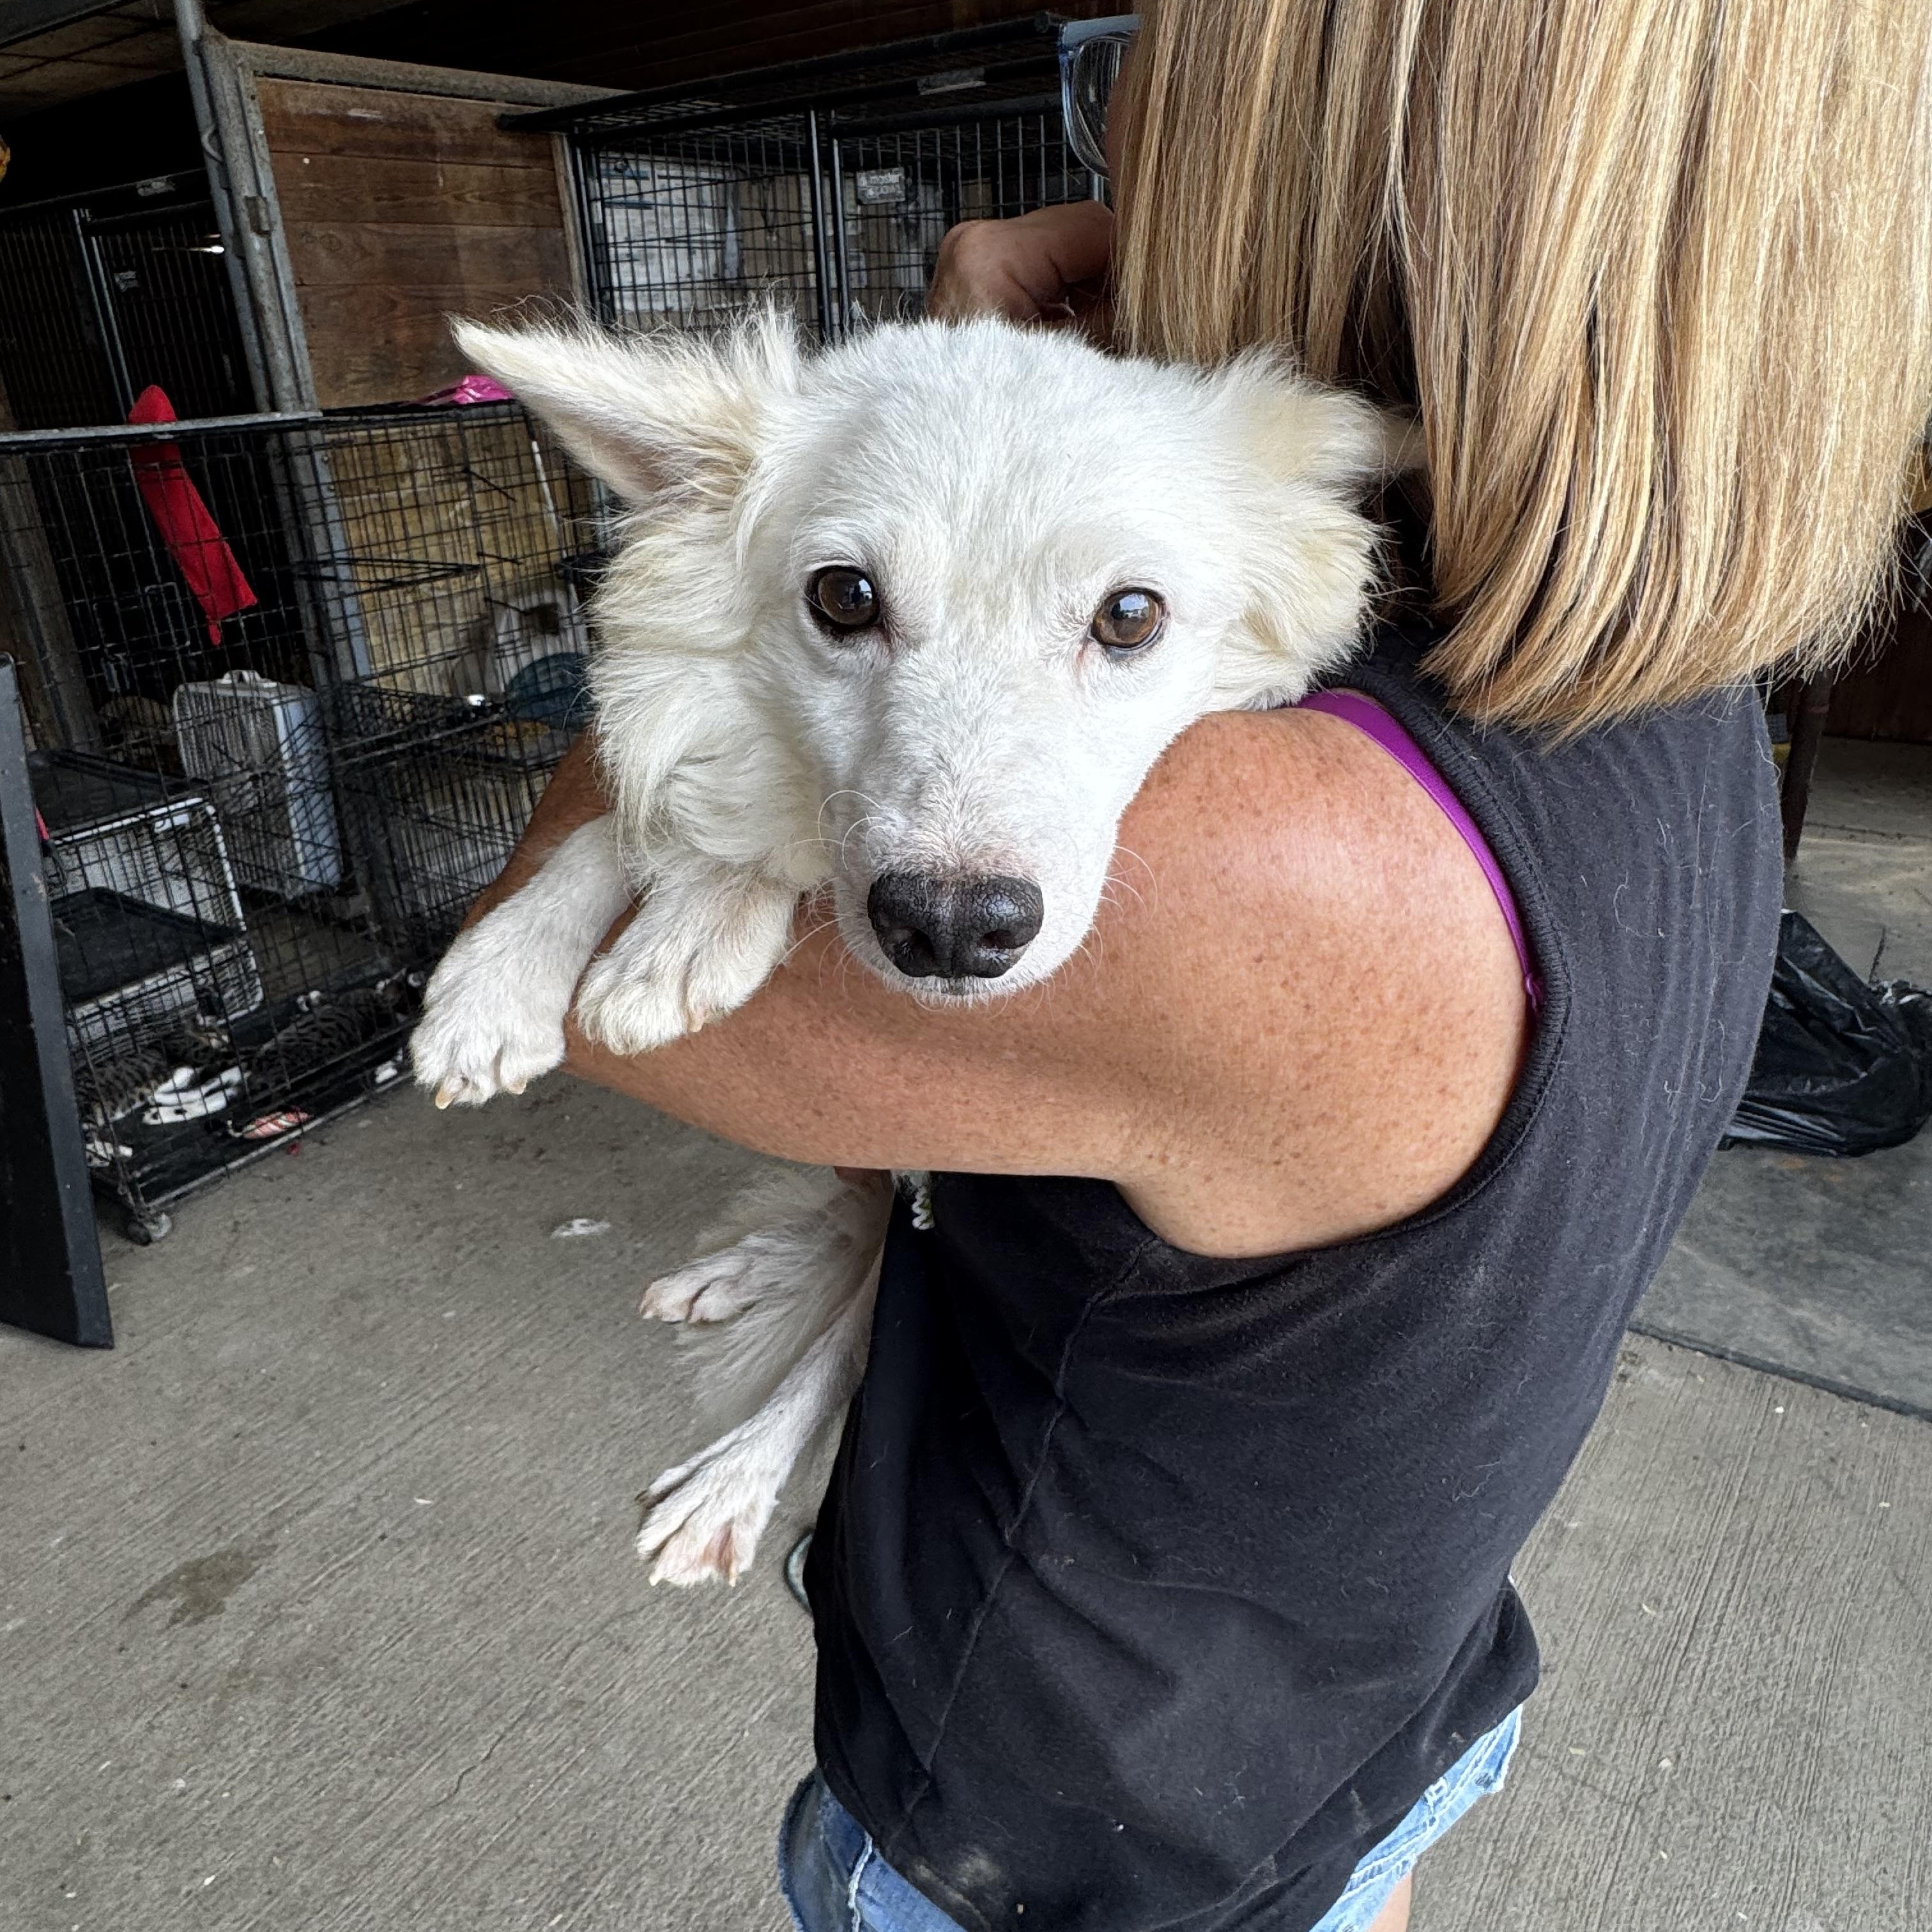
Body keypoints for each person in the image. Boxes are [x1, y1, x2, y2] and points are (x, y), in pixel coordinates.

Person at [465, 3, 1932, 1927]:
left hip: (1068, 1829)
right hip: (1380, 1725)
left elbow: (578, 926)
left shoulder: (1251, 857)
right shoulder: (1675, 693)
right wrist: (1055, 465)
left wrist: (865, 451)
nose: (1111, 116)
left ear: (1300, 146)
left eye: (1129, 54)